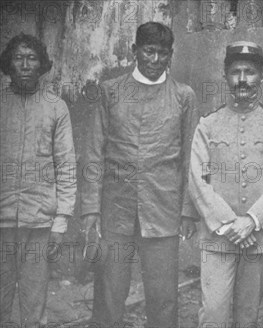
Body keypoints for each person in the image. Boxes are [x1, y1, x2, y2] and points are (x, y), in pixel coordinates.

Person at [80, 22, 200, 328]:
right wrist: (92, 208)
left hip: (163, 209)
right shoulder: (110, 92)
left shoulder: (183, 96)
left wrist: (187, 209)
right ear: (135, 51)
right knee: (109, 292)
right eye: (149, 51)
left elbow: (190, 158)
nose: (155, 60)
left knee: (163, 297)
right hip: (115, 208)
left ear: (171, 55)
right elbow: (94, 153)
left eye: (163, 53)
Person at [186, 41, 263, 328]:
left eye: (250, 72)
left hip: (258, 238)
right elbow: (198, 180)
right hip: (218, 238)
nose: (242, 79)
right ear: (225, 76)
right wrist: (229, 223)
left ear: (261, 76)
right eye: (236, 72)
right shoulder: (207, 125)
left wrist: (252, 220)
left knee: (248, 316)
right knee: (213, 314)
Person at [0, 33, 77, 327]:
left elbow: (67, 167)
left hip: (39, 224)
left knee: (33, 305)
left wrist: (60, 222)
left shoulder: (56, 107)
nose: (25, 65)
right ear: (8, 64)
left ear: (42, 65)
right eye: (18, 58)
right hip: (1, 224)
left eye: (32, 58)